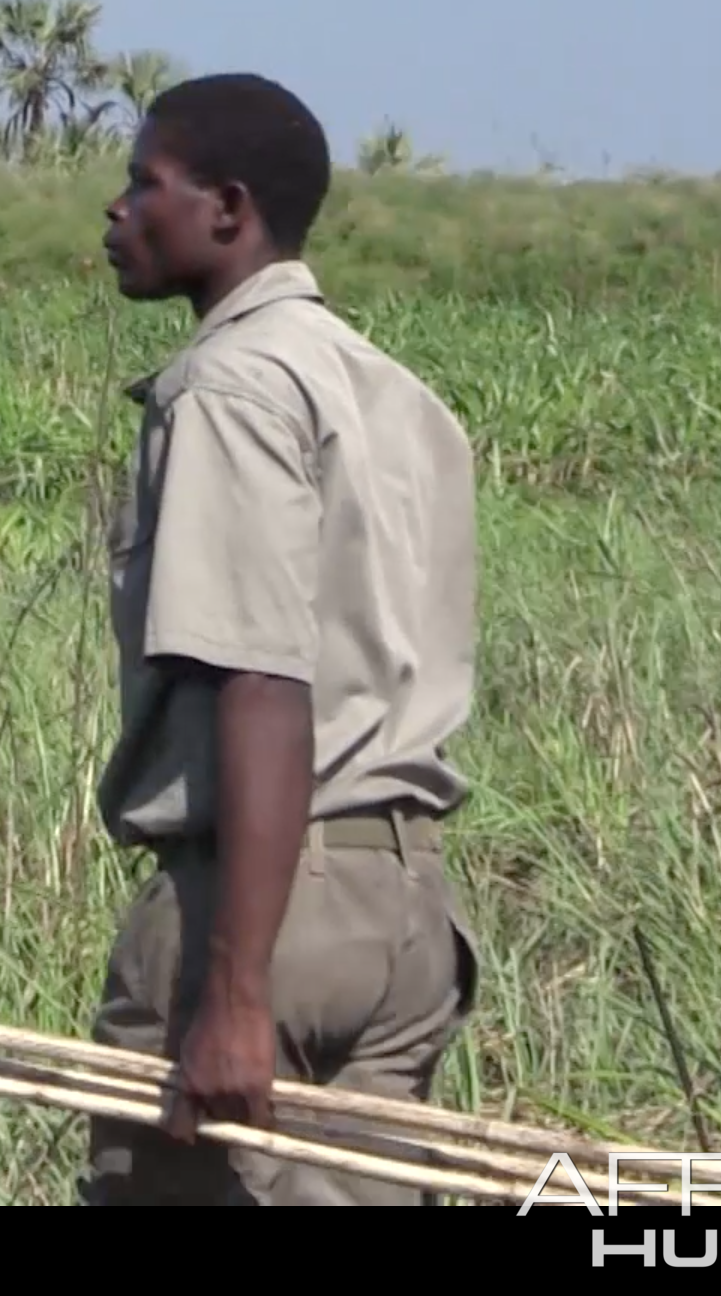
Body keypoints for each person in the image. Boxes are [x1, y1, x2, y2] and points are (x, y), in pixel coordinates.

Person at [80, 73, 481, 1206]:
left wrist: (236, 989)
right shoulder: (397, 395)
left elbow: (260, 677)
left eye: (142, 183)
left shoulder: (228, 385)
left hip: (267, 906)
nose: (116, 211)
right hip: (404, 912)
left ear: (228, 208)